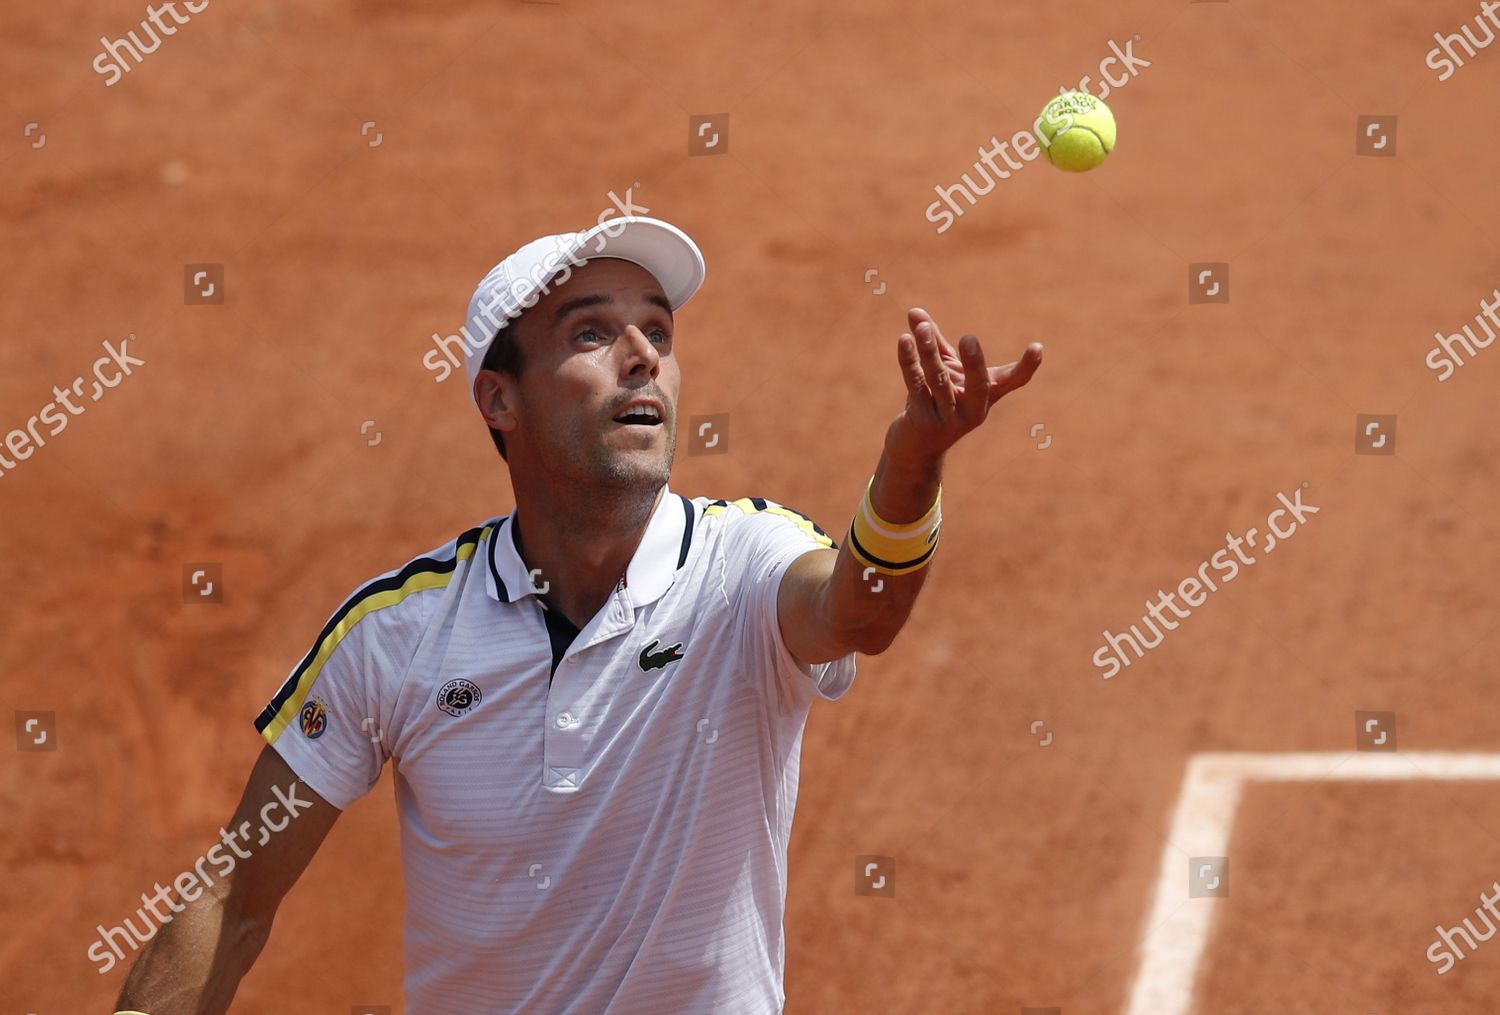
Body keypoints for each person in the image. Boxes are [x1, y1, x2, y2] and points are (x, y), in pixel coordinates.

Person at [115, 215, 1043, 1014]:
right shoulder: (397, 635)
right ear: (499, 396)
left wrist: (913, 465)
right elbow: (235, 890)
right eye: (592, 332)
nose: (642, 354)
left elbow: (859, 613)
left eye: (657, 332)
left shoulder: (743, 565)